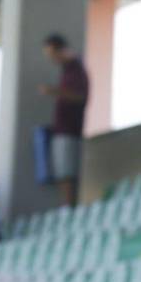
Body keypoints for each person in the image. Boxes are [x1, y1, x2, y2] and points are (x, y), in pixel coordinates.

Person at [39, 33, 90, 207]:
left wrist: (55, 91)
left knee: (67, 172)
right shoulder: (68, 70)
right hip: (62, 129)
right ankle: (67, 208)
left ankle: (69, 209)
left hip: (70, 130)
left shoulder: (76, 68)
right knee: (62, 171)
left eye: (52, 54)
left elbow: (80, 97)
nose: (51, 59)